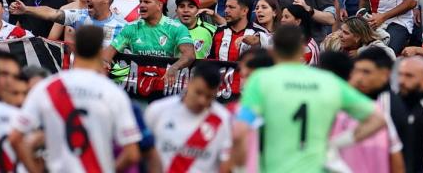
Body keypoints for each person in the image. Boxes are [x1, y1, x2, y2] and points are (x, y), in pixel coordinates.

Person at [238, 25, 387, 171]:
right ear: (302, 50)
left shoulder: (261, 79)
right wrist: (336, 143)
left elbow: (241, 130)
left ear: (272, 50)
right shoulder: (328, 81)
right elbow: (378, 119)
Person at [10, 25, 142, 171]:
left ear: (74, 49)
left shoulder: (47, 87)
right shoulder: (113, 93)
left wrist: (35, 170)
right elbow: (132, 154)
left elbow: (15, 138)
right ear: (100, 51)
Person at [144, 63, 234, 172]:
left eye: (209, 96)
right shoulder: (158, 110)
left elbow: (226, 164)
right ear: (189, 83)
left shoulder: (223, 119)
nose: (202, 101)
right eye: (198, 92)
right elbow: (144, 154)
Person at [103, 0, 195, 86]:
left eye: (146, 2)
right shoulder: (131, 27)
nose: (141, 5)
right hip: (138, 85)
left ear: (159, 5)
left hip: (167, 85)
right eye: (140, 2)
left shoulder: (177, 28)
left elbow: (189, 55)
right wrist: (104, 62)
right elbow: (109, 52)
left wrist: (174, 68)